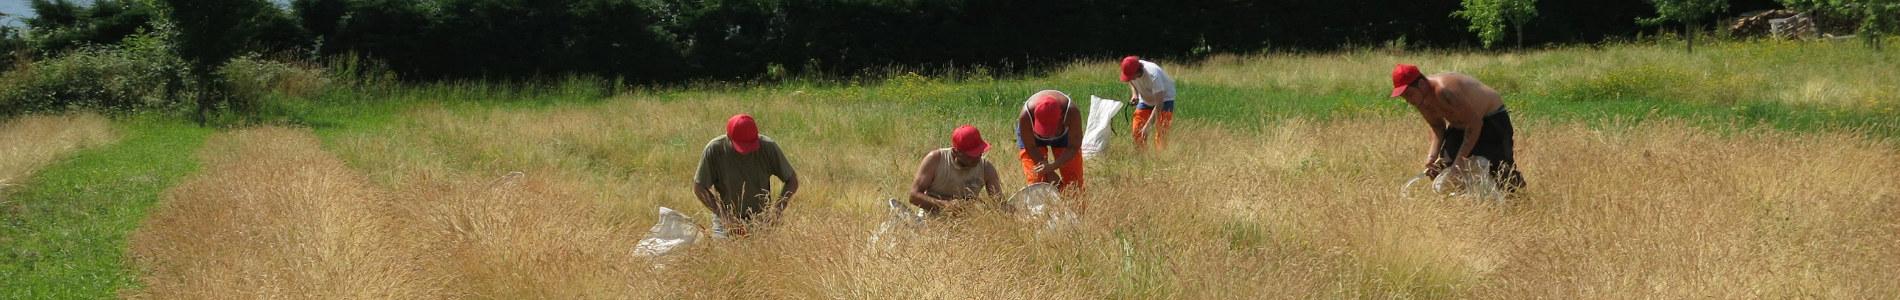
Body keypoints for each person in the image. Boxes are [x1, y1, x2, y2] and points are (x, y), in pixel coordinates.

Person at [1389, 64, 1526, 194]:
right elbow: (1438, 126)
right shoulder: (1420, 100)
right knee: (1442, 167)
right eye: (1404, 97)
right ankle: (1473, 204)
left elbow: (1475, 125)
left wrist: (1459, 161)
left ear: (1422, 85)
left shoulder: (1445, 90)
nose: (1408, 100)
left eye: (1409, 94)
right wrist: (1432, 156)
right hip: (1461, 125)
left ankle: (1519, 202)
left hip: (1492, 119)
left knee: (1499, 168)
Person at [693, 114, 799, 237]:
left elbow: (792, 181)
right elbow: (699, 187)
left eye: (749, 144)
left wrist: (776, 211)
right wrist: (723, 215)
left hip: (760, 219)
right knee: (726, 253)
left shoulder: (768, 147)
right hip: (726, 220)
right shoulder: (714, 150)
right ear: (728, 137)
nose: (746, 151)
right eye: (741, 145)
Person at [908, 125, 1003, 215]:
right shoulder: (935, 160)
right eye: (971, 155)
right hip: (929, 220)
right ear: (955, 152)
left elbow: (999, 203)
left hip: (966, 225)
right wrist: (945, 205)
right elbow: (914, 196)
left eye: (979, 152)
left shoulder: (986, 169)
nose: (977, 157)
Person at [1016, 90, 1086, 192]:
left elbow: (1074, 146)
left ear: (1061, 117)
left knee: (1074, 184)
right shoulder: (1026, 116)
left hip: (1065, 138)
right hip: (1033, 142)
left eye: (1052, 129)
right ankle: (1043, 206)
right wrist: (1048, 172)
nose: (1048, 135)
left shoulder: (1071, 112)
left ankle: (1075, 206)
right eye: (1043, 129)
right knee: (1037, 181)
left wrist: (1053, 166)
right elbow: (1030, 147)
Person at [1121, 56, 1176, 151]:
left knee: (1161, 132)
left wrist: (1148, 126)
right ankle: (1142, 158)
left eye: (1131, 76)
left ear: (1138, 72)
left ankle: (1161, 158)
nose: (1130, 78)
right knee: (1137, 131)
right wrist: (1135, 94)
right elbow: (1130, 80)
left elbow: (1159, 104)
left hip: (1164, 100)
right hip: (1145, 99)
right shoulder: (1131, 69)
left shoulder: (1153, 75)